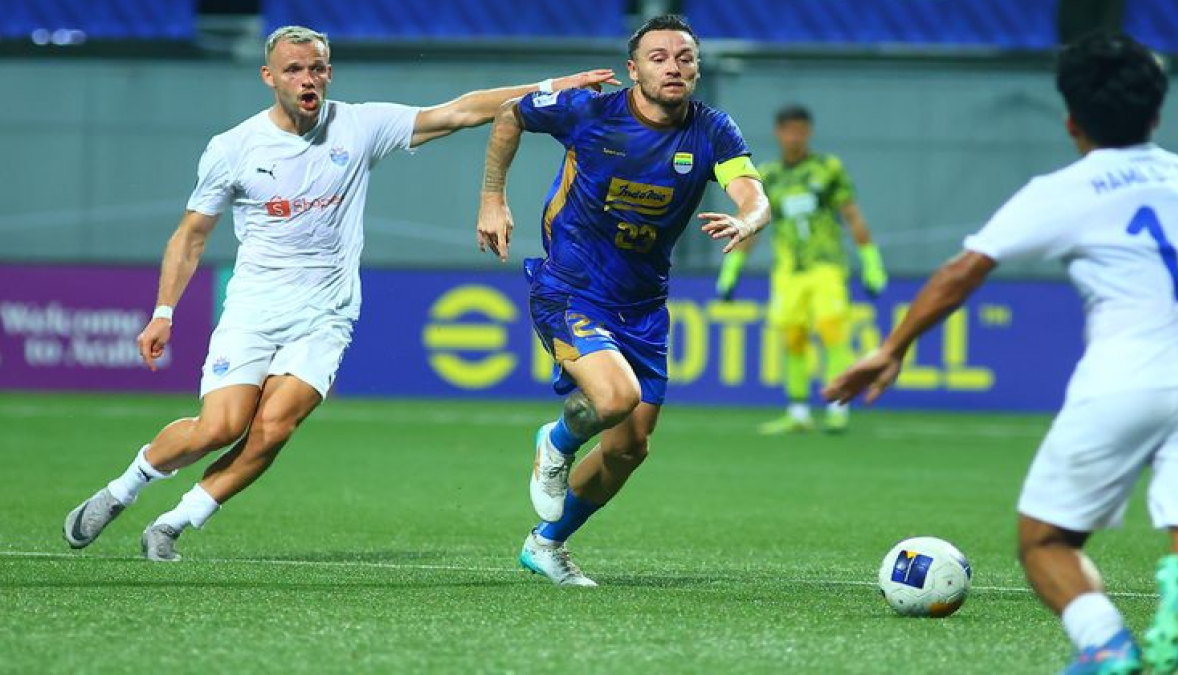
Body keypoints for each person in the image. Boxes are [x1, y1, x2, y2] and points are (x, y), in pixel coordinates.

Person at [62, 25, 618, 562]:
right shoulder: (233, 148)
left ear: (329, 73)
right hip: (254, 310)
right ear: (269, 77)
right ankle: (122, 490)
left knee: (273, 429)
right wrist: (163, 313)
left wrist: (552, 88)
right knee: (221, 427)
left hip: (326, 315)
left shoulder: (359, 126)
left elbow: (461, 110)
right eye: (294, 69)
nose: (308, 79)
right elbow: (191, 235)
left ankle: (174, 523)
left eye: (318, 68)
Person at [824, 33, 1178, 675]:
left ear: (1072, 121)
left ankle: (1106, 644)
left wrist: (893, 348)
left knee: (1045, 539)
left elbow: (961, 272)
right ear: (1159, 114)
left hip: (1124, 379)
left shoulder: (1070, 187)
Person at [475, 14, 770, 586]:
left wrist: (748, 219)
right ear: (633, 70)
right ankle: (555, 442)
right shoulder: (590, 110)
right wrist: (492, 198)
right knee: (614, 399)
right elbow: (509, 113)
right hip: (572, 287)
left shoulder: (712, 130)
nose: (673, 67)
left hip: (644, 306)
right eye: (658, 57)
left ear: (698, 68)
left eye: (684, 57)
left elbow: (753, 193)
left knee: (629, 448)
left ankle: (546, 544)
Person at [716, 104, 887, 435]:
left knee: (831, 331)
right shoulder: (770, 176)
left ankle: (838, 408)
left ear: (808, 133)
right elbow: (754, 224)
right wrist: (732, 268)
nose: (795, 137)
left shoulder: (828, 169)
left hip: (826, 266)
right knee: (793, 338)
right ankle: (798, 413)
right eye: (789, 130)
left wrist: (871, 263)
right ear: (778, 133)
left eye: (801, 130)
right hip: (788, 271)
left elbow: (852, 216)